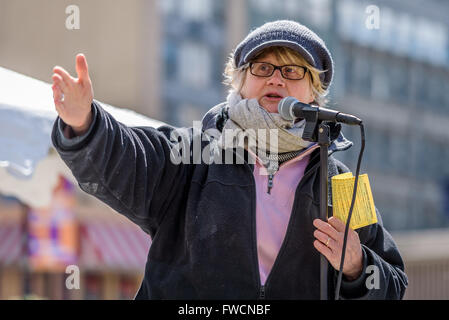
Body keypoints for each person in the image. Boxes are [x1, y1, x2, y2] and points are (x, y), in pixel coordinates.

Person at [50, 20, 408, 299]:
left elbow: (392, 282)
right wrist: (85, 123)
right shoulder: (192, 156)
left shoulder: (339, 182)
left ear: (314, 92)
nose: (277, 78)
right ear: (240, 83)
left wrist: (357, 267)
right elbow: (126, 159)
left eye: (293, 70)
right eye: (262, 68)